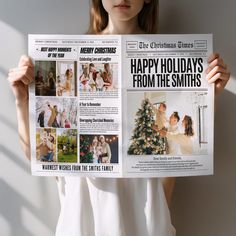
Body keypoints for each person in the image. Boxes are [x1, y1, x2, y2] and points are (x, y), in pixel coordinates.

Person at [7, 0, 231, 235]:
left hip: (144, 208)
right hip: (84, 209)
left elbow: (180, 154)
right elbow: (40, 156)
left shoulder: (171, 56)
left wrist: (208, 96)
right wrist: (22, 101)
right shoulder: (66, 55)